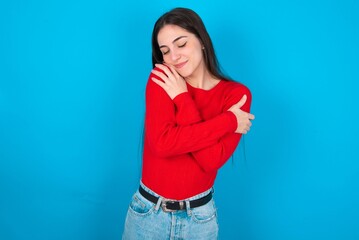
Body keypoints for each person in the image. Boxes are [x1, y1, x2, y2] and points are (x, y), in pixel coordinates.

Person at [122, 7, 255, 239]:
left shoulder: (236, 95)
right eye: (165, 50)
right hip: (148, 216)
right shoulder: (162, 79)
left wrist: (182, 99)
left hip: (200, 221)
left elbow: (210, 160)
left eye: (181, 44)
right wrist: (229, 120)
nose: (174, 57)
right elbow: (162, 144)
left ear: (202, 40)